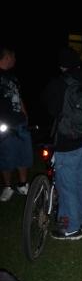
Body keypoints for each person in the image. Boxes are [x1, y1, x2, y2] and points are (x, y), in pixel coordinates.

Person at [43, 47, 82, 240]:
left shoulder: (59, 82)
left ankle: (70, 228)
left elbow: (51, 110)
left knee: (66, 185)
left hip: (66, 141)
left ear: (62, 65)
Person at [0, 45, 33, 202]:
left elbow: (18, 97)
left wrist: (25, 115)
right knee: (5, 156)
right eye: (13, 57)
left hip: (20, 122)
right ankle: (7, 187)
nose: (15, 60)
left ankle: (22, 184)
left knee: (23, 154)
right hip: (4, 125)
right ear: (6, 57)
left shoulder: (13, 76)